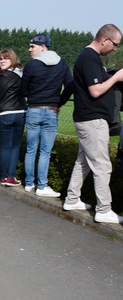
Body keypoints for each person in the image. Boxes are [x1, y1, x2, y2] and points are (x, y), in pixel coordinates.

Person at [63, 24, 123, 223]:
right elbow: (95, 90)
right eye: (115, 45)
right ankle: (104, 209)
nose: (115, 49)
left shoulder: (90, 57)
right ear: (105, 40)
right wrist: (116, 77)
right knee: (102, 165)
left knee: (84, 161)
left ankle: (72, 198)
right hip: (92, 120)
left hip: (88, 119)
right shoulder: (89, 57)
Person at [21, 33, 74, 197]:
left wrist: (34, 96)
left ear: (43, 47)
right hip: (51, 111)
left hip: (34, 109)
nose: (29, 49)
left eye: (32, 46)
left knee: (31, 149)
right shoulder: (62, 64)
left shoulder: (31, 66)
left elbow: (22, 90)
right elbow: (71, 86)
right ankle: (42, 186)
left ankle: (29, 183)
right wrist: (59, 103)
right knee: (45, 151)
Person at [0, 49, 27, 186]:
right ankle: (11, 177)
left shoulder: (5, 75)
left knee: (6, 146)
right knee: (15, 146)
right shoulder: (21, 74)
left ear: (12, 59)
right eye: (0, 58)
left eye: (5, 58)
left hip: (5, 113)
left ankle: (4, 176)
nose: (1, 61)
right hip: (20, 112)